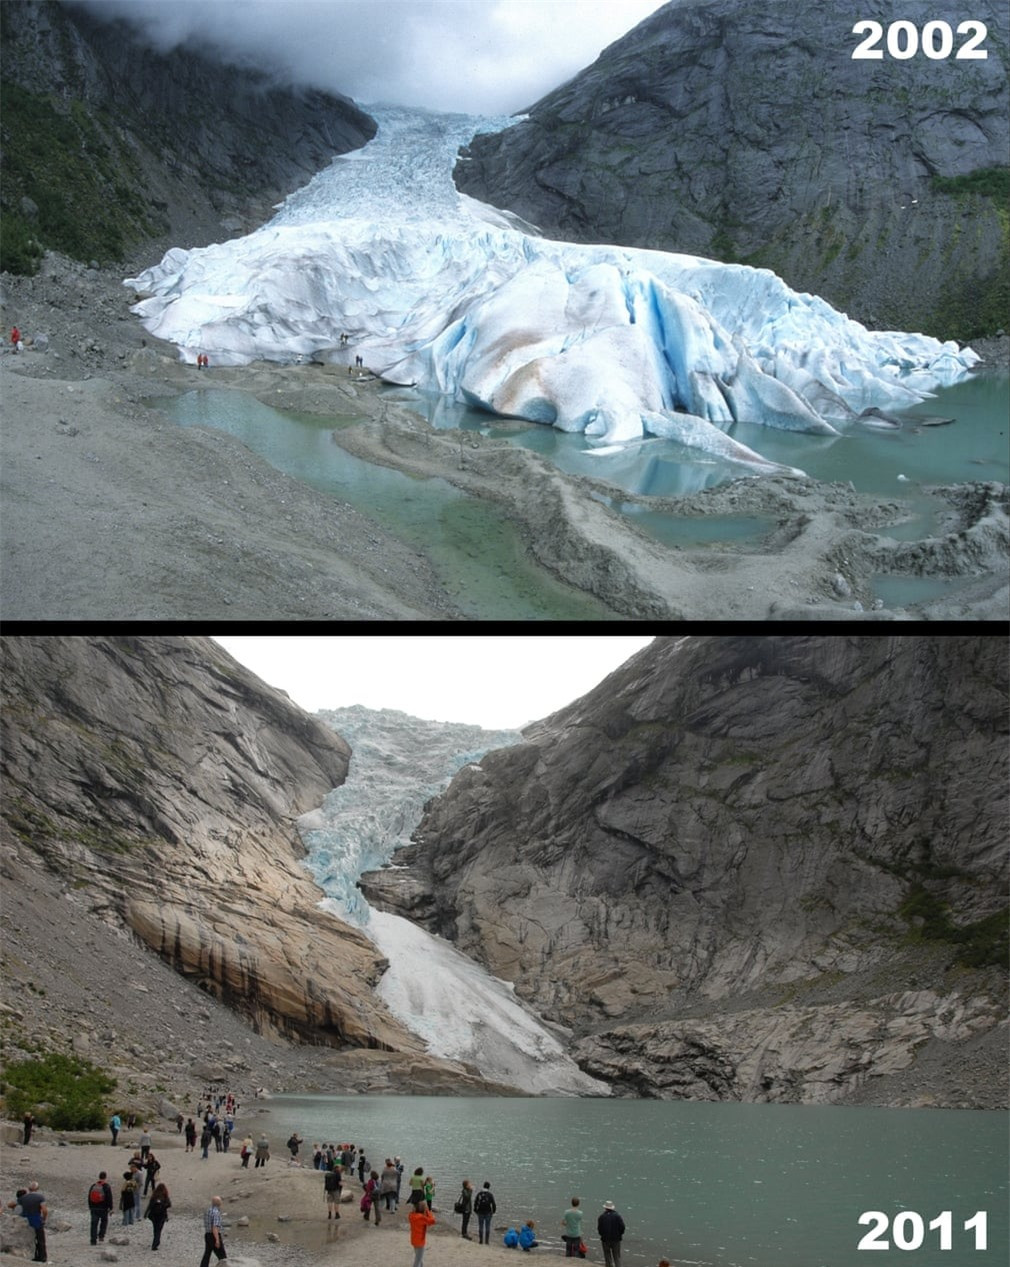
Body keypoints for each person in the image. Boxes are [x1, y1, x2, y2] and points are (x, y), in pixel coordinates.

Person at [18, 1181, 47, 1263]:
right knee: (40, 1239)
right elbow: (44, 1210)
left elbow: (11, 1204)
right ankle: (42, 1257)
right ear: (37, 1189)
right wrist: (44, 1219)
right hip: (37, 1219)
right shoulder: (40, 1197)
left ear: (29, 1188)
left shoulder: (23, 1198)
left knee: (28, 1239)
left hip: (26, 1220)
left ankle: (30, 1255)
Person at [88, 1169, 114, 1245]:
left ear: (99, 1177)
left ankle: (93, 1240)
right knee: (104, 1221)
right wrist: (111, 1207)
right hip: (103, 1208)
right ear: (105, 1177)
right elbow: (109, 1198)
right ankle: (101, 1236)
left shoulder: (93, 1185)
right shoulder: (106, 1186)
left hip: (94, 1208)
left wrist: (90, 1206)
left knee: (94, 1224)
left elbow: (89, 1197)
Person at [200, 1194, 227, 1267]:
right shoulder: (216, 1213)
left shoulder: (208, 1210)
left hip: (207, 1234)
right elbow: (214, 1227)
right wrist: (217, 1240)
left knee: (207, 1254)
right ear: (219, 1202)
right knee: (222, 1256)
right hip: (214, 1235)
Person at [598, 1200, 626, 1267]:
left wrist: (602, 1235)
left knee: (607, 1257)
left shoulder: (601, 1217)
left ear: (605, 1208)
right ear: (612, 1208)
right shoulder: (618, 1216)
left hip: (605, 1239)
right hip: (616, 1239)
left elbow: (599, 1229)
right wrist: (620, 1234)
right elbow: (622, 1227)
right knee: (617, 1257)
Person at [408, 1199, 436, 1267]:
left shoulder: (411, 1216)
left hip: (414, 1240)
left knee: (419, 1258)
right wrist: (427, 1211)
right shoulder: (421, 1218)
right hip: (420, 1241)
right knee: (418, 1260)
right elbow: (432, 1221)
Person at [145, 1180, 171, 1251]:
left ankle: (155, 1241)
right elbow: (169, 1204)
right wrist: (163, 1206)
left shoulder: (154, 1196)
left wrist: (146, 1213)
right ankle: (156, 1243)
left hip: (153, 1215)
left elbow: (150, 1205)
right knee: (159, 1229)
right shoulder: (165, 1196)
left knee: (155, 1228)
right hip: (162, 1215)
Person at [473, 1180, 496, 1245]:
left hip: (480, 1212)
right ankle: (487, 1241)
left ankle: (480, 1240)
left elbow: (475, 1202)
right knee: (487, 1226)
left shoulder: (479, 1194)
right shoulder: (490, 1195)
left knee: (480, 1226)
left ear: (483, 1186)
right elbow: (493, 1204)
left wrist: (475, 1210)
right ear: (489, 1187)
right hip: (488, 1212)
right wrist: (493, 1211)